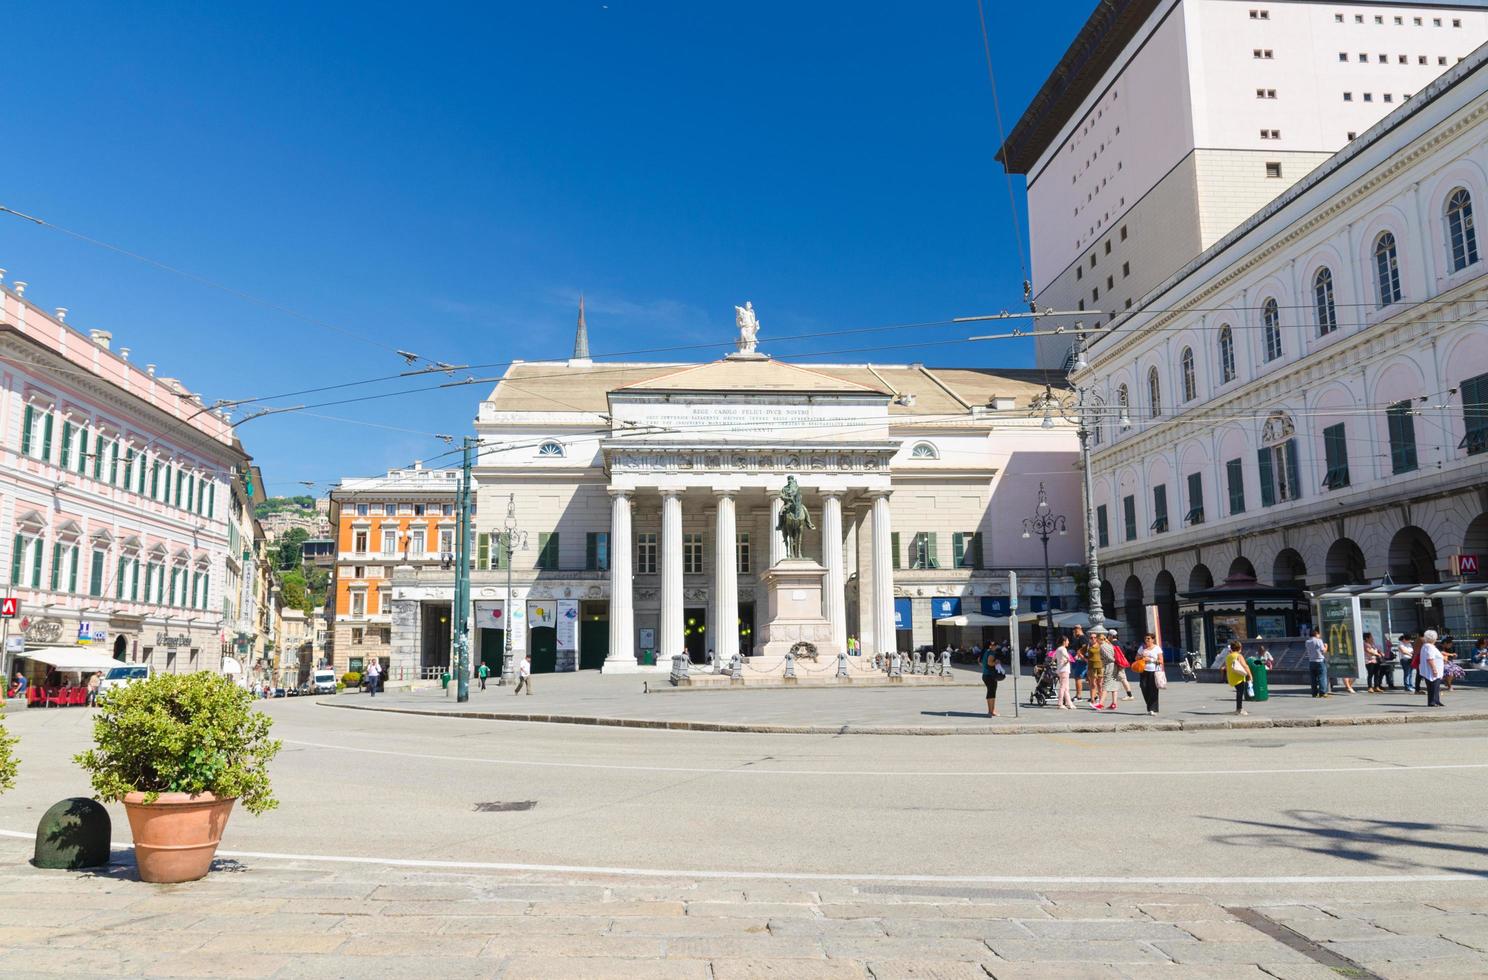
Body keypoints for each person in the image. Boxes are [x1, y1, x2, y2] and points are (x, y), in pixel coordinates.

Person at [1137, 632, 1164, 715]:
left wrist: (1151, 660)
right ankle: (1150, 707)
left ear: (1153, 639)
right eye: (1145, 638)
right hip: (1143, 670)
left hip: (1153, 671)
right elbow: (1136, 658)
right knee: (1143, 687)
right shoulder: (1142, 648)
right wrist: (1142, 657)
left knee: (1153, 690)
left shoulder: (1157, 648)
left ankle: (1153, 709)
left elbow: (1161, 661)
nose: (1146, 640)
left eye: (1148, 638)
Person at [1223, 640, 1253, 716]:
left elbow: (1226, 667)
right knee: (1240, 692)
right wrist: (1250, 675)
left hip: (1231, 677)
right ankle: (1239, 709)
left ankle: (1239, 708)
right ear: (1239, 648)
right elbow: (1245, 666)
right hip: (1238, 677)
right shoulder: (1238, 656)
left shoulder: (1228, 656)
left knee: (1239, 692)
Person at [1095, 631, 1120, 712]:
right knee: (1114, 684)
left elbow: (1109, 657)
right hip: (1115, 666)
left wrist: (1113, 660)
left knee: (1105, 685)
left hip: (1110, 666)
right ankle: (1114, 703)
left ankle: (1100, 704)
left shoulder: (1102, 646)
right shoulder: (1110, 644)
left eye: (1096, 639)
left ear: (1099, 639)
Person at [1419, 629, 1445, 707]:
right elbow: (1430, 659)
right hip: (1432, 670)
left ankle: (1436, 700)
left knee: (1434, 687)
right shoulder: (1429, 647)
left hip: (1430, 670)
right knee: (1434, 686)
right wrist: (1434, 669)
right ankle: (1433, 701)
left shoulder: (1426, 646)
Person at [1109, 629, 1134, 700]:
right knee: (1122, 679)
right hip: (1120, 663)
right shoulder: (1120, 643)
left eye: (1109, 635)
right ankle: (1129, 695)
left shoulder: (1112, 644)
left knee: (1123, 679)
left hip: (1117, 664)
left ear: (1111, 636)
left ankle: (1129, 695)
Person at [1084, 630, 1105, 710]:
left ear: (1096, 638)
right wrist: (1086, 660)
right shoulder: (1088, 646)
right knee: (1093, 684)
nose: (1093, 639)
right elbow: (1080, 652)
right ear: (1089, 639)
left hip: (1100, 667)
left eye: (1094, 637)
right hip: (1091, 667)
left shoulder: (1101, 645)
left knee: (1100, 684)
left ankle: (1101, 702)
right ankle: (1093, 700)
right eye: (1091, 637)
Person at [980, 644, 1003, 717]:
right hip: (990, 676)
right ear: (991, 646)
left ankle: (991, 710)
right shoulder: (991, 653)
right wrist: (997, 662)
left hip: (985, 675)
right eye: (995, 645)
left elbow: (979, 662)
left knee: (991, 692)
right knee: (991, 693)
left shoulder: (985, 652)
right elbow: (990, 663)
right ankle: (991, 711)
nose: (996, 646)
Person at [1305, 628, 1328, 698]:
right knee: (1322, 677)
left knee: (1313, 678)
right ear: (1316, 634)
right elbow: (1323, 651)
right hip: (1320, 661)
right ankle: (1322, 692)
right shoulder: (1319, 641)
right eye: (1318, 634)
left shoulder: (1307, 642)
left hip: (1311, 661)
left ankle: (1314, 693)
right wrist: (1326, 646)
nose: (1319, 635)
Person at [1052, 636, 1074, 709]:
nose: (1068, 642)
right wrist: (1067, 660)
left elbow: (1053, 658)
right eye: (1067, 641)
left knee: (1066, 687)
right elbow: (1068, 657)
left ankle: (1069, 703)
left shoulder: (1058, 649)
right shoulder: (1063, 649)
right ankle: (1060, 703)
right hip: (1064, 670)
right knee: (1063, 687)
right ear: (1064, 641)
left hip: (1060, 670)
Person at [1070, 626, 1089, 701]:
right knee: (1089, 678)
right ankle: (1095, 695)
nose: (1074, 633)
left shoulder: (1082, 638)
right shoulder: (1081, 637)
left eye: (1074, 631)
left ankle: (1078, 695)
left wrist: (1078, 654)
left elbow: (1084, 647)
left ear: (1078, 630)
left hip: (1081, 660)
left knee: (1078, 677)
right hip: (1083, 660)